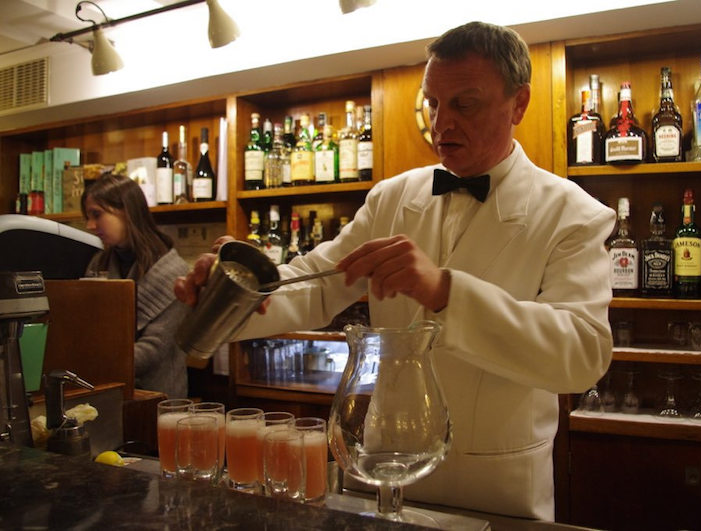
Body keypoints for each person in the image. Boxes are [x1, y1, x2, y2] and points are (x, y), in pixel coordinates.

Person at [176, 21, 615, 520]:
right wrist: (232, 295)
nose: (441, 122)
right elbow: (316, 285)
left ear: (518, 104)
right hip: (384, 472)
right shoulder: (391, 198)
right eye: (433, 103)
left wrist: (445, 290)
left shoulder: (573, 214)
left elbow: (582, 354)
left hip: (497, 490)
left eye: (463, 104)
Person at [82, 172, 189, 399]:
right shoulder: (98, 263)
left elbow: (153, 349)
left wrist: (89, 363)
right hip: (104, 392)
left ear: (126, 211)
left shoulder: (174, 273)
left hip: (157, 400)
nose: (90, 225)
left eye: (96, 215)